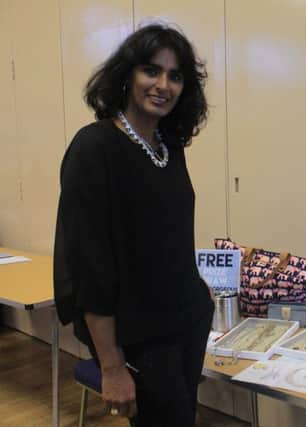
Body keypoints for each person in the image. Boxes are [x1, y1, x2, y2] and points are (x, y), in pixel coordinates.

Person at [53, 23, 213, 426]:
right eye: (151, 70)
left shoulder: (168, 147)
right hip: (138, 336)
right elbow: (90, 267)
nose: (163, 85)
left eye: (175, 76)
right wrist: (110, 366)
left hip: (185, 319)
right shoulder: (94, 148)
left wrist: (193, 284)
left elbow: (165, 233)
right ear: (127, 74)